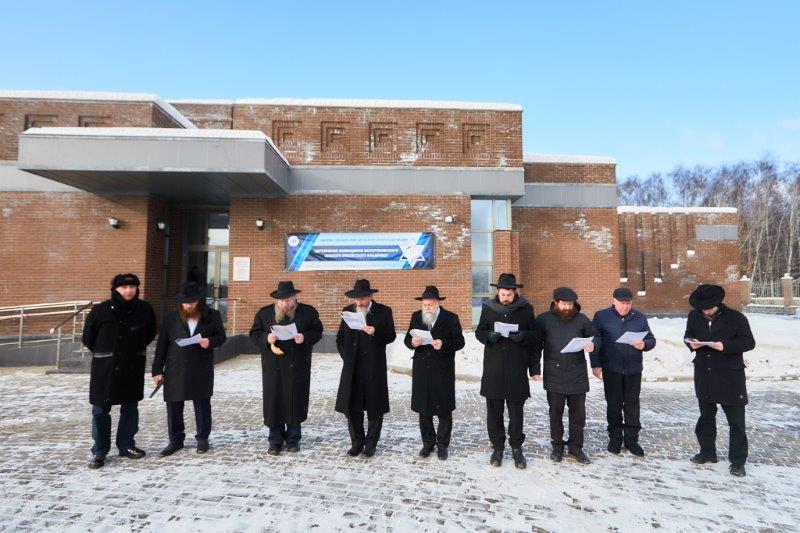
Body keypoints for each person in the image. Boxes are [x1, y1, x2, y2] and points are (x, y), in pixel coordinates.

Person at [82, 273, 157, 469]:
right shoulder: (101, 310)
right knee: (100, 410)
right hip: (105, 369)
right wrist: (107, 353)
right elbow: (88, 338)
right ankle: (99, 450)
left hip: (132, 367)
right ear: (115, 290)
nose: (128, 290)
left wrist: (132, 351)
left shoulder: (145, 309)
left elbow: (150, 333)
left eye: (132, 287)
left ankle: (126, 445)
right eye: (124, 287)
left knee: (130, 408)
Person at [684, 284, 755, 477]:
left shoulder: (736, 317)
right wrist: (692, 344)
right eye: (702, 308)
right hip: (704, 374)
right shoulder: (694, 316)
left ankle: (738, 461)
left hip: (730, 377)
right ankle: (708, 452)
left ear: (718, 303)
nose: (705, 311)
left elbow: (749, 342)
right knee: (706, 418)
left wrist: (725, 345)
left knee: (736, 423)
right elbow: (688, 336)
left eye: (709, 307)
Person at [152, 281, 227, 456]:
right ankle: (175, 440)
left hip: (200, 367)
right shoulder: (171, 318)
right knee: (174, 406)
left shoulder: (212, 315)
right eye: (185, 303)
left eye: (191, 303)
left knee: (202, 404)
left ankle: (202, 438)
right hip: (175, 368)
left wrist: (210, 341)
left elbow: (221, 337)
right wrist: (157, 370)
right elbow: (161, 345)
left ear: (199, 301)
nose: (188, 306)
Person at [249, 281, 323, 455]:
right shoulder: (264, 313)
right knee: (274, 402)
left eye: (288, 300)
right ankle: (275, 441)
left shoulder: (308, 312)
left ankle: (293, 440)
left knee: (294, 401)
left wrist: (304, 337)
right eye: (281, 301)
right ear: (276, 300)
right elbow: (254, 333)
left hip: (297, 365)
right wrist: (267, 339)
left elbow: (318, 331)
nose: (285, 304)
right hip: (273, 366)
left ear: (294, 298)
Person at [475, 273, 540, 469]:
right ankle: (497, 447)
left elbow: (535, 335)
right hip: (494, 368)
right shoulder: (488, 308)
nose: (505, 298)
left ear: (515, 293)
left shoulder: (526, 309)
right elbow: (479, 332)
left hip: (516, 368)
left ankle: (517, 448)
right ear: (498, 292)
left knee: (516, 412)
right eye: (503, 294)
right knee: (494, 412)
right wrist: (489, 336)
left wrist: (524, 336)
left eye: (509, 295)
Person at [533, 287, 598, 465]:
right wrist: (535, 368)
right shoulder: (544, 319)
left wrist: (593, 346)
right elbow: (535, 345)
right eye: (564, 304)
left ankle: (576, 448)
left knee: (578, 416)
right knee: (556, 414)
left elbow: (595, 337)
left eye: (570, 304)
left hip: (577, 374)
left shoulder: (582, 319)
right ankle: (557, 446)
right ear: (556, 303)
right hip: (554, 373)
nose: (568, 307)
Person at [590, 287, 656, 456]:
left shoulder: (639, 317)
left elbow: (650, 338)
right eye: (622, 303)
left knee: (632, 405)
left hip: (633, 369)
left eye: (628, 303)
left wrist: (645, 344)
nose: (626, 306)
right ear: (614, 301)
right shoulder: (601, 316)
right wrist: (595, 364)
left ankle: (632, 439)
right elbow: (595, 341)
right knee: (614, 404)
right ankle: (615, 438)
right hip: (612, 368)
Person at [335, 279, 396, 458]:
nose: (359, 302)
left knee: (374, 407)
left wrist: (375, 332)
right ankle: (356, 442)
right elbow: (340, 337)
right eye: (356, 299)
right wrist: (346, 357)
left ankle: (370, 444)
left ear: (370, 296)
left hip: (373, 367)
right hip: (352, 367)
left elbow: (391, 336)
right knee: (352, 407)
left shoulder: (384, 311)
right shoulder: (348, 311)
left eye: (362, 298)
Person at [403, 286, 465, 460]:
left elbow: (460, 342)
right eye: (424, 305)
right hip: (422, 369)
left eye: (430, 304)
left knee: (444, 409)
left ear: (438, 303)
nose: (427, 308)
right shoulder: (416, 316)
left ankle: (443, 445)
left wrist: (443, 344)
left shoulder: (451, 318)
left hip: (442, 369)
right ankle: (427, 444)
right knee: (424, 409)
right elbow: (407, 340)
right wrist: (413, 342)